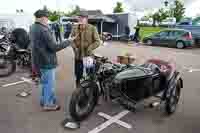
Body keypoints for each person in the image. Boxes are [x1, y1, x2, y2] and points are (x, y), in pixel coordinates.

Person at [30, 9, 76, 111]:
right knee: (49, 85)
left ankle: (44, 100)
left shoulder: (33, 27)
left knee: (45, 83)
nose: (48, 20)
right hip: (47, 61)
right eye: (47, 18)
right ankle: (48, 104)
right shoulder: (44, 30)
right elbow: (54, 47)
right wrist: (68, 41)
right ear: (43, 18)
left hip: (38, 61)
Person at [70, 11, 101, 88]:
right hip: (78, 57)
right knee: (78, 75)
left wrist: (90, 48)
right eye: (79, 17)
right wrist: (74, 47)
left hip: (88, 56)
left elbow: (98, 41)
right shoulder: (74, 28)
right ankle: (78, 91)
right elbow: (71, 40)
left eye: (82, 18)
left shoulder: (92, 28)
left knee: (90, 75)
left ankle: (90, 91)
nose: (80, 19)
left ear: (86, 19)